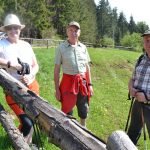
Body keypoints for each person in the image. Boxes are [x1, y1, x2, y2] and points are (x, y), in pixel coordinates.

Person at [0, 14, 39, 145]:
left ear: (20, 29)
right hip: (14, 90)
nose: (13, 31)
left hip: (31, 86)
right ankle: (19, 144)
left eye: (15, 28)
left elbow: (35, 65)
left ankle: (29, 143)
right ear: (6, 30)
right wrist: (10, 64)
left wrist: (31, 75)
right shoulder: (2, 44)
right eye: (10, 28)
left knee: (32, 118)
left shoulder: (26, 45)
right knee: (27, 122)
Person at [54, 21, 93, 127]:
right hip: (68, 83)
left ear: (79, 33)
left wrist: (90, 85)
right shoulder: (61, 48)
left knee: (83, 108)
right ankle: (69, 130)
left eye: (76, 31)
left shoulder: (83, 48)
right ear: (67, 31)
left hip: (82, 83)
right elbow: (57, 70)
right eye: (71, 30)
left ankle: (83, 129)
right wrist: (57, 89)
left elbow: (87, 68)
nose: (73, 33)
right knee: (68, 110)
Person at [127, 29, 150, 145]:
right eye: (147, 40)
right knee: (132, 134)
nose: (149, 43)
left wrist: (146, 97)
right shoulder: (141, 59)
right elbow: (132, 78)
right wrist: (131, 88)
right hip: (137, 105)